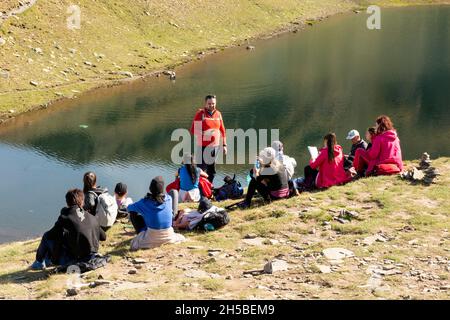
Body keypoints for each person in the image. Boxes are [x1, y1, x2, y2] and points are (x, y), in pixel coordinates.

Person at [31, 189, 106, 270]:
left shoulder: (65, 217)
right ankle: (46, 260)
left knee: (46, 236)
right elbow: (103, 237)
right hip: (91, 256)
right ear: (82, 201)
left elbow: (50, 235)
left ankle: (39, 263)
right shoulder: (92, 217)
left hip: (74, 259)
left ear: (67, 202)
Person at [127, 176, 184, 250]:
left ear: (150, 188)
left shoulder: (144, 202)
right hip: (169, 235)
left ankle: (141, 234)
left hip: (152, 237)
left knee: (133, 213)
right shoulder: (169, 199)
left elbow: (129, 208)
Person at [190, 94, 227, 183]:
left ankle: (209, 188)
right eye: (209, 103)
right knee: (200, 171)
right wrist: (205, 133)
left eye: (213, 103)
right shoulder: (200, 114)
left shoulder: (218, 114)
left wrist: (224, 145)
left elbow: (222, 130)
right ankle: (198, 191)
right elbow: (193, 130)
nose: (211, 105)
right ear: (205, 103)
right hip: (203, 147)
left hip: (215, 147)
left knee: (212, 171)